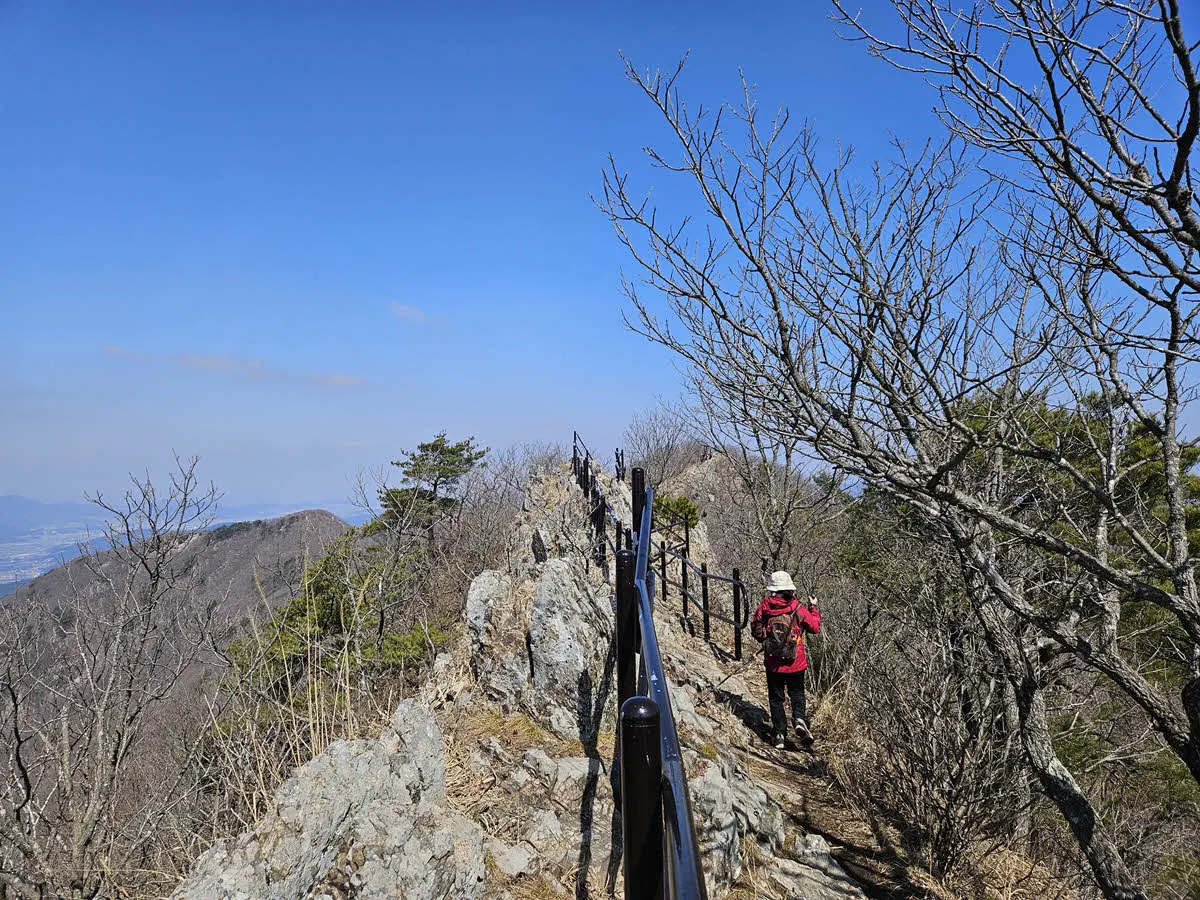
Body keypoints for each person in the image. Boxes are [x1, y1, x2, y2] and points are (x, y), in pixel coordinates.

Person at [750, 571, 821, 749]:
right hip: (795, 661)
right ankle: (799, 719)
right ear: (790, 588)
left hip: (773, 661)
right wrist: (813, 608)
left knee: (776, 698)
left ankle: (779, 734)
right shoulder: (798, 607)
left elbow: (756, 629)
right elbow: (814, 627)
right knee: (797, 693)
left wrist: (766, 639)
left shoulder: (765, 606)